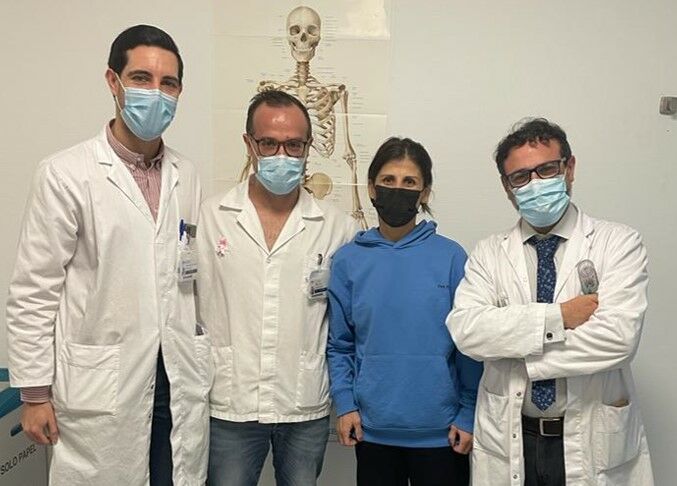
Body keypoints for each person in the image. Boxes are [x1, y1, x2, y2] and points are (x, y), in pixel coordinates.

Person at [5, 25, 211, 486]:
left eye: (168, 83)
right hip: (102, 382)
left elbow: (187, 274)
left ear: (179, 92)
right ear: (112, 81)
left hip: (175, 376)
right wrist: (35, 394)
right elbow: (34, 290)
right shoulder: (65, 173)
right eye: (141, 78)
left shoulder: (187, 173)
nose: (155, 93)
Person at [447, 118, 654, 485]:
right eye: (520, 177)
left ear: (569, 168)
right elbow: (466, 332)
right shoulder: (488, 254)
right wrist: (559, 317)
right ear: (507, 187)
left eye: (546, 170)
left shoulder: (618, 243)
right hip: (512, 435)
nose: (535, 184)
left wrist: (515, 348)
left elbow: (618, 339)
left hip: (591, 437)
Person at [197, 89, 358, 486]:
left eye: (294, 145)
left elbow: (348, 323)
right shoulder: (211, 217)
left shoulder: (338, 228)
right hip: (230, 402)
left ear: (308, 147)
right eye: (268, 143)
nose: (282, 155)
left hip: (303, 401)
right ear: (249, 143)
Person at [326, 137, 483, 486]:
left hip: (442, 434)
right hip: (373, 431)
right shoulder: (349, 261)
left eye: (409, 182)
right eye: (388, 180)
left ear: (424, 193)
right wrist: (346, 404)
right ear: (371, 188)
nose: (398, 189)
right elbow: (340, 345)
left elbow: (469, 344)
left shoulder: (451, 257)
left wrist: (468, 412)